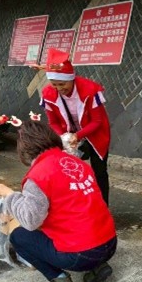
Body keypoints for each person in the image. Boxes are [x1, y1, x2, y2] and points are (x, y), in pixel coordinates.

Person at [0, 121, 117, 282]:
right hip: (110, 243)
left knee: (19, 236)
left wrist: (10, 195)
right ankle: (98, 267)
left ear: (25, 149)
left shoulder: (39, 175)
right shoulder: (78, 163)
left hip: (80, 254)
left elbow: (30, 220)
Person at [39, 48, 111, 205]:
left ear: (71, 78)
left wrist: (77, 136)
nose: (59, 88)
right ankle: (79, 204)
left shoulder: (90, 90)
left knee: (99, 171)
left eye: (62, 83)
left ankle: (103, 205)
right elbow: (53, 122)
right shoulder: (48, 94)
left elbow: (97, 121)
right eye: (54, 84)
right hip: (69, 136)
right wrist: (64, 137)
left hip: (95, 134)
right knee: (71, 172)